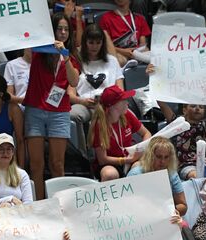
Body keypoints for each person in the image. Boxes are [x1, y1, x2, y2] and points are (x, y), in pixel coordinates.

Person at [22, 13, 80, 200]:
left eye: (66, 29)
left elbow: (74, 81)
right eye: (59, 29)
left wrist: (65, 57)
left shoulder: (70, 56)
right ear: (51, 31)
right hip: (35, 110)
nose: (62, 33)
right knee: (36, 165)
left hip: (59, 112)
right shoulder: (39, 52)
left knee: (57, 164)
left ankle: (60, 204)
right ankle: (39, 204)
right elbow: (28, 33)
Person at [69, 24, 124, 156]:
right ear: (85, 42)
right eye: (91, 42)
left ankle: (114, 152)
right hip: (85, 104)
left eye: (98, 42)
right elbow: (70, 94)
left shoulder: (112, 61)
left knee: (109, 114)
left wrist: (107, 100)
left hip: (109, 105)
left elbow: (120, 90)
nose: (94, 46)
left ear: (103, 43)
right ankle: (83, 155)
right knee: (72, 114)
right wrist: (82, 101)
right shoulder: (77, 61)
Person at [87, 85, 151, 182]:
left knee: (139, 169)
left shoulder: (127, 115)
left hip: (130, 158)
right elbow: (102, 159)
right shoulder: (99, 125)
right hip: (110, 164)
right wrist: (125, 160)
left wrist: (141, 149)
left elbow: (146, 133)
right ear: (113, 105)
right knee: (110, 174)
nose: (127, 103)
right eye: (123, 100)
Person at [157, 102, 206, 180]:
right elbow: (162, 105)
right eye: (193, 106)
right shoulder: (177, 124)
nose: (198, 108)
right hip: (187, 166)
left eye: (201, 107)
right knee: (197, 176)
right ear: (184, 110)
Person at [127, 137, 187, 216]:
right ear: (150, 156)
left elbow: (183, 205)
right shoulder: (135, 175)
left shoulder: (172, 174)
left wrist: (173, 211)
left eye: (166, 157)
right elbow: (126, 205)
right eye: (158, 157)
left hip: (165, 218)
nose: (162, 161)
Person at [98, 0, 151, 66]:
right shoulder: (106, 18)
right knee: (120, 61)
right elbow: (105, 45)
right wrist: (123, 51)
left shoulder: (140, 19)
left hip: (136, 53)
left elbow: (143, 45)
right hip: (117, 52)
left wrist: (138, 52)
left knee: (151, 54)